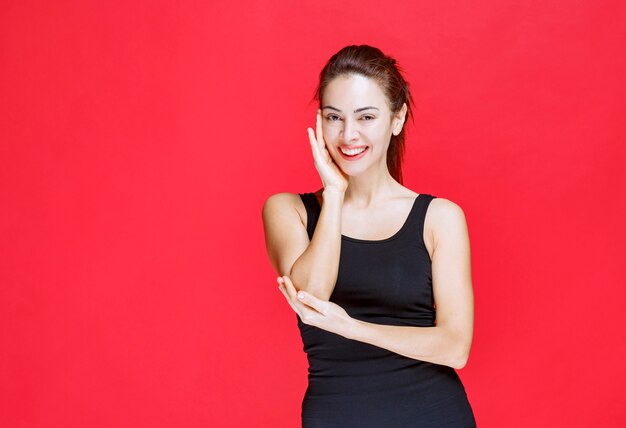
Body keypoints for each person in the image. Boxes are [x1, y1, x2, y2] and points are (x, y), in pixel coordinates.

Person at [262, 44, 476, 427]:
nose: (348, 134)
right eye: (334, 117)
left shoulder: (439, 218)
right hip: (337, 415)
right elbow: (312, 296)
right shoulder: (287, 209)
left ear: (397, 119)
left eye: (366, 117)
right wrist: (334, 193)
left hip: (434, 414)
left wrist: (352, 327)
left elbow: (455, 348)